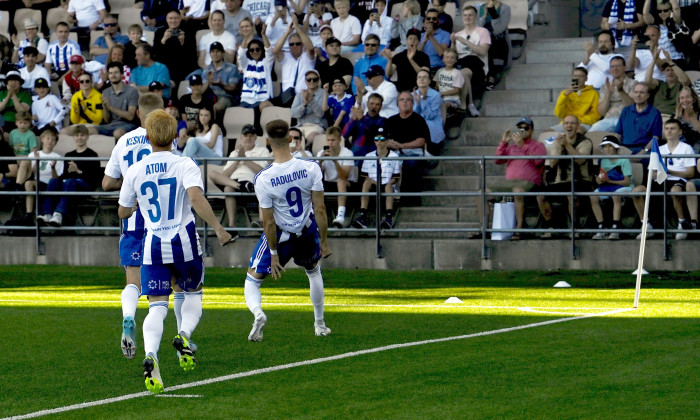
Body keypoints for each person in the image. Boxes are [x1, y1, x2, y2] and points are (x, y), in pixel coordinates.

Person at [117, 109, 231, 394]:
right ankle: (183, 335)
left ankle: (151, 354)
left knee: (157, 305)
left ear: (147, 136)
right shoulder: (184, 164)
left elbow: (122, 210)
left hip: (152, 246)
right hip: (184, 243)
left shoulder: (135, 169)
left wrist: (132, 207)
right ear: (174, 136)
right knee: (193, 293)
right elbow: (195, 198)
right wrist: (218, 227)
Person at [243, 119, 332, 342]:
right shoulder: (310, 167)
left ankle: (258, 313)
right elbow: (320, 209)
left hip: (281, 235)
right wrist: (324, 241)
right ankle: (320, 324)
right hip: (307, 230)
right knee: (313, 272)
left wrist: (273, 254)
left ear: (267, 141)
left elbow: (268, 222)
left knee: (252, 280)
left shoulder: (264, 178)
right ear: (291, 139)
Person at [102, 93, 171, 360]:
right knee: (166, 286)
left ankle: (128, 317)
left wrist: (130, 186)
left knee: (133, 280)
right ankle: (179, 337)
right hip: (162, 222)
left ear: (139, 114)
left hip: (132, 218)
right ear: (161, 113)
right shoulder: (167, 140)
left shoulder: (124, 141)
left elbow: (107, 183)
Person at [470, 117, 546, 240]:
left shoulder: (538, 145)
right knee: (482, 193)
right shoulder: (512, 147)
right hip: (509, 183)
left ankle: (519, 229)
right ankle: (483, 229)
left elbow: (538, 161)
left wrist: (522, 146)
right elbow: (498, 160)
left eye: (525, 128)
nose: (522, 130)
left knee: (517, 190)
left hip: (529, 183)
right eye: (520, 128)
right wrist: (503, 143)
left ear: (532, 130)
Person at [632, 119, 696, 239]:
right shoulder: (659, 149)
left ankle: (682, 224)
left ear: (680, 132)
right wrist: (656, 174)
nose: (669, 131)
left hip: (678, 179)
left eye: (672, 128)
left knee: (675, 190)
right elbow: (652, 172)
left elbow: (690, 173)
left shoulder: (686, 148)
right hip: (661, 180)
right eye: (666, 129)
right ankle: (646, 225)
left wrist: (669, 171)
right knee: (637, 191)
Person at [208, 123, 271, 237]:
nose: (248, 138)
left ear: (256, 137)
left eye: (251, 135)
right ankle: (232, 226)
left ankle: (232, 226)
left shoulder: (262, 151)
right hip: (235, 183)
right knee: (213, 174)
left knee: (228, 188)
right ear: (241, 137)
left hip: (252, 184)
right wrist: (237, 160)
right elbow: (224, 175)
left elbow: (263, 172)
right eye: (246, 135)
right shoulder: (234, 153)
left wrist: (245, 159)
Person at [536, 115, 594, 235]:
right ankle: (550, 226)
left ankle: (574, 229)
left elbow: (580, 160)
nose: (569, 126)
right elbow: (552, 163)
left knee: (571, 196)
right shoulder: (556, 140)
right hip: (560, 181)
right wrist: (558, 147)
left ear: (578, 126)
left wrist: (566, 145)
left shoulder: (586, 142)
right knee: (540, 196)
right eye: (566, 123)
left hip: (580, 181)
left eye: (572, 123)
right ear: (563, 126)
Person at [37, 124, 101, 227]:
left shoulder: (92, 154)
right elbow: (64, 175)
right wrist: (54, 170)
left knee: (70, 181)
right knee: (53, 181)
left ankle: (59, 214)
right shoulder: (69, 155)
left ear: (87, 137)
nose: (79, 138)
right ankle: (47, 213)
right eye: (77, 135)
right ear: (73, 137)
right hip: (69, 185)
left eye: (82, 135)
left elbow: (93, 178)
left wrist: (78, 171)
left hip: (84, 186)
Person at [384, 91, 430, 206]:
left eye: (408, 100)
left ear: (412, 103)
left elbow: (421, 141)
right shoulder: (391, 121)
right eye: (401, 100)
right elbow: (383, 140)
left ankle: (408, 200)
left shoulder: (419, 120)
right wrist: (389, 143)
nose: (404, 102)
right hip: (394, 154)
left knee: (409, 165)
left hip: (413, 153)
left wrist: (402, 146)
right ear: (397, 103)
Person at [351, 127, 401, 229]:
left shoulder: (394, 156)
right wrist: (374, 182)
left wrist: (388, 183)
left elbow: (396, 177)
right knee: (366, 183)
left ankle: (388, 218)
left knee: (388, 187)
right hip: (374, 183)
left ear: (387, 141)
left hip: (388, 183)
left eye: (382, 139)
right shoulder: (369, 156)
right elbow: (366, 177)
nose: (379, 142)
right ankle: (362, 217)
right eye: (377, 139)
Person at [261, 18, 315, 109]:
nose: (294, 46)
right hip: (286, 97)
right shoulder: (285, 56)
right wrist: (287, 32)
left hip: (303, 97)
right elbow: (275, 51)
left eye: (298, 44)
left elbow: (310, 47)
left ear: (302, 45)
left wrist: (297, 28)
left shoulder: (308, 56)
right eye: (291, 44)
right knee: (263, 105)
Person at [15, 126, 63, 222]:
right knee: (25, 164)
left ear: (55, 143)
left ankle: (29, 213)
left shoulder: (58, 157)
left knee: (29, 184)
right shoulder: (33, 155)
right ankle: (18, 187)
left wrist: (53, 167)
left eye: (53, 139)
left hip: (49, 184)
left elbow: (56, 178)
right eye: (48, 138)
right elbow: (31, 172)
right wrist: (37, 161)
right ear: (42, 139)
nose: (50, 141)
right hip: (35, 180)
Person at [590, 135, 633, 240]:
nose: (607, 149)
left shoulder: (624, 160)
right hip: (608, 186)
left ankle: (615, 228)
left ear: (616, 147)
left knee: (616, 195)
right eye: (605, 147)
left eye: (610, 146)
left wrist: (610, 181)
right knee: (593, 196)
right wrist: (598, 180)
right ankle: (602, 227)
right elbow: (601, 177)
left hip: (623, 186)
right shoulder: (603, 161)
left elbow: (627, 182)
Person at [451, 6, 490, 117]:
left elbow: (482, 51)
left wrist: (465, 42)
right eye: (465, 15)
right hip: (462, 64)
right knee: (463, 72)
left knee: (466, 66)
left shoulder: (483, 31)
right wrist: (453, 44)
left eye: (470, 15)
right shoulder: (458, 34)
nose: (467, 17)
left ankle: (463, 104)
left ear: (476, 16)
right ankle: (470, 105)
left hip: (477, 64)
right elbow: (453, 56)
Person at [317, 126, 356, 228]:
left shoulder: (347, 153)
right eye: (328, 140)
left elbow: (344, 176)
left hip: (347, 184)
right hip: (328, 183)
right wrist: (320, 161)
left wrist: (335, 161)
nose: (330, 143)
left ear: (339, 140)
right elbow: (316, 176)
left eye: (333, 140)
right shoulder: (320, 153)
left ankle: (341, 215)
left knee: (341, 182)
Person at [192, 42, 242, 115]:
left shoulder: (232, 68)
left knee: (217, 107)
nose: (215, 54)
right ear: (210, 54)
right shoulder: (206, 70)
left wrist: (221, 84)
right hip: (210, 96)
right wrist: (208, 82)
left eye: (218, 51)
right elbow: (201, 91)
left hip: (226, 97)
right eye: (213, 52)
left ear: (223, 53)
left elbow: (232, 88)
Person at [589, 56, 635, 132]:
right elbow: (601, 112)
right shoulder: (605, 86)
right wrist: (609, 93)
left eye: (618, 66)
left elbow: (632, 108)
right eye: (612, 66)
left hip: (625, 119)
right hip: (607, 120)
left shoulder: (633, 84)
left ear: (625, 67)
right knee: (591, 134)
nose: (615, 69)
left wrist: (621, 91)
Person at [96, 62, 140, 141]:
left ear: (122, 75)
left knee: (117, 133)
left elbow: (130, 116)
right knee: (90, 131)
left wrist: (110, 107)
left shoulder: (132, 91)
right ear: (108, 76)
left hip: (128, 125)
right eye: (110, 73)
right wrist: (105, 108)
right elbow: (107, 120)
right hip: (110, 125)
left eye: (116, 72)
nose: (113, 75)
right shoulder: (105, 92)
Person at [616, 81, 663, 153]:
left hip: (644, 150)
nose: (638, 95)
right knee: (602, 160)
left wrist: (644, 151)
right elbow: (618, 134)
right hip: (625, 149)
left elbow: (655, 137)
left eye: (642, 92)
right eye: (636, 92)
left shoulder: (655, 113)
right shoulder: (626, 111)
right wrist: (617, 149)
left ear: (648, 95)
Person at [153, 10, 198, 84]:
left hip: (183, 67)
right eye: (170, 18)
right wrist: (163, 41)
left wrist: (183, 43)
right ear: (166, 19)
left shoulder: (188, 32)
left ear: (180, 19)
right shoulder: (160, 32)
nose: (173, 21)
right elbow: (155, 55)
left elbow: (192, 56)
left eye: (176, 18)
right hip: (165, 68)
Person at [552, 67, 600, 133]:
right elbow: (558, 113)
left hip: (583, 123)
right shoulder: (565, 93)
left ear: (586, 78)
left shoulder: (593, 93)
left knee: (577, 132)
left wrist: (578, 120)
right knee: (547, 133)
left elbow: (596, 115)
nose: (578, 78)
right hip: (567, 123)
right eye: (575, 76)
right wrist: (565, 96)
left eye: (581, 76)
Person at [645, 49, 691, 116]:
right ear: (664, 72)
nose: (670, 72)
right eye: (667, 70)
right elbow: (647, 81)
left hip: (672, 117)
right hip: (656, 116)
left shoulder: (681, 86)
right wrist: (654, 60)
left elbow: (685, 81)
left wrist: (669, 61)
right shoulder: (659, 84)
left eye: (673, 70)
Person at [383, 29, 429, 93]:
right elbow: (388, 74)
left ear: (419, 41)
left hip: (417, 90)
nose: (412, 41)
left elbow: (425, 74)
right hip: (401, 91)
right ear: (406, 40)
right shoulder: (399, 56)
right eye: (410, 38)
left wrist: (411, 60)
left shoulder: (424, 57)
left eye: (415, 39)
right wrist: (390, 60)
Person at [477, 0, 510, 89]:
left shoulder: (505, 8)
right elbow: (478, 27)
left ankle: (491, 76)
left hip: (497, 39)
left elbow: (499, 29)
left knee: (490, 43)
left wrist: (493, 12)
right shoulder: (480, 7)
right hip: (482, 39)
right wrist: (484, 15)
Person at [643, 0, 688, 65]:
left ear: (671, 10)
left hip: (676, 60)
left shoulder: (676, 23)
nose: (662, 13)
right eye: (659, 11)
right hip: (662, 62)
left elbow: (676, 8)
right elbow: (645, 14)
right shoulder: (657, 27)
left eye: (665, 10)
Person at [290, 69, 326, 148]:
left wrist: (311, 101)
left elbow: (320, 114)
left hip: (316, 126)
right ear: (305, 81)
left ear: (319, 80)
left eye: (315, 79)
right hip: (300, 125)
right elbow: (293, 113)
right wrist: (304, 104)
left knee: (313, 136)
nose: (311, 81)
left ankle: (303, 149)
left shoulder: (324, 94)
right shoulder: (300, 95)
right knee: (287, 134)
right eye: (309, 80)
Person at [342, 92, 386, 157]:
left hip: (373, 157)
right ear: (367, 104)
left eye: (377, 104)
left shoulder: (383, 121)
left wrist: (362, 118)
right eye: (372, 103)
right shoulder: (357, 120)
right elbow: (344, 134)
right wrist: (353, 119)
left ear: (381, 106)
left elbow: (375, 132)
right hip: (356, 156)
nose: (374, 107)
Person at [413, 69, 445, 156]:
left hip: (432, 129)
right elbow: (413, 115)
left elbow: (430, 116)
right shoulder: (412, 95)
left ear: (429, 81)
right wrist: (418, 104)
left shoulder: (436, 95)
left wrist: (422, 101)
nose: (421, 79)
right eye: (419, 77)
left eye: (424, 77)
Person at [433, 48, 465, 124]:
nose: (449, 59)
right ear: (443, 59)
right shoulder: (440, 71)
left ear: (455, 60)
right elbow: (437, 86)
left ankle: (441, 128)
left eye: (452, 57)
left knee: (443, 105)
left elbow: (456, 90)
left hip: (452, 100)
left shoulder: (457, 73)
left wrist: (441, 93)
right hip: (440, 98)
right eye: (447, 57)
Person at [418, 8, 451, 72]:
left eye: (434, 19)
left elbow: (442, 53)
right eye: (428, 18)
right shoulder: (420, 35)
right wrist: (424, 40)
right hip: (422, 69)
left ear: (438, 21)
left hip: (438, 68)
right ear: (425, 21)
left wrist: (430, 36)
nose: (431, 20)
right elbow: (417, 54)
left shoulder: (445, 34)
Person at [673, 86, 700, 151]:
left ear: (693, 99)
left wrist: (692, 116)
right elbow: (670, 133)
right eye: (682, 98)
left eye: (687, 97)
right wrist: (676, 117)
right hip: (680, 146)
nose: (685, 100)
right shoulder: (675, 116)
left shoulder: (699, 113)